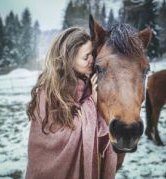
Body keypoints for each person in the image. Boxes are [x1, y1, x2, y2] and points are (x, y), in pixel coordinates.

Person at [25, 27, 117, 179]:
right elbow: (57, 138)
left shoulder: (88, 83)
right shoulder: (49, 92)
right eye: (85, 57)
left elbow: (100, 130)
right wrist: (92, 103)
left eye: (92, 54)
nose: (92, 60)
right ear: (68, 59)